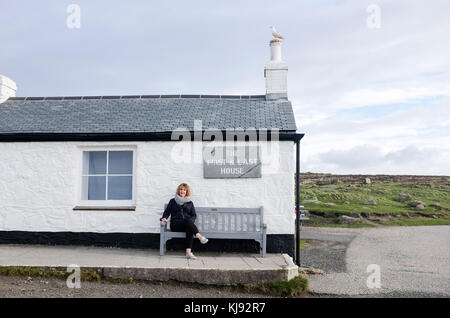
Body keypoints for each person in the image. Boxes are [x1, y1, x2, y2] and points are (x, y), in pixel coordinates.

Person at [160, 183, 208, 259]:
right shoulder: (173, 201)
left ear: (186, 192)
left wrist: (190, 222)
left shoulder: (190, 203)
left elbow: (194, 215)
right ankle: (200, 236)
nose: (182, 191)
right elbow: (167, 212)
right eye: (181, 189)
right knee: (188, 222)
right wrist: (164, 218)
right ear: (178, 191)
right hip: (175, 224)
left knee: (189, 227)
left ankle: (188, 253)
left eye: (184, 190)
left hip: (187, 224)